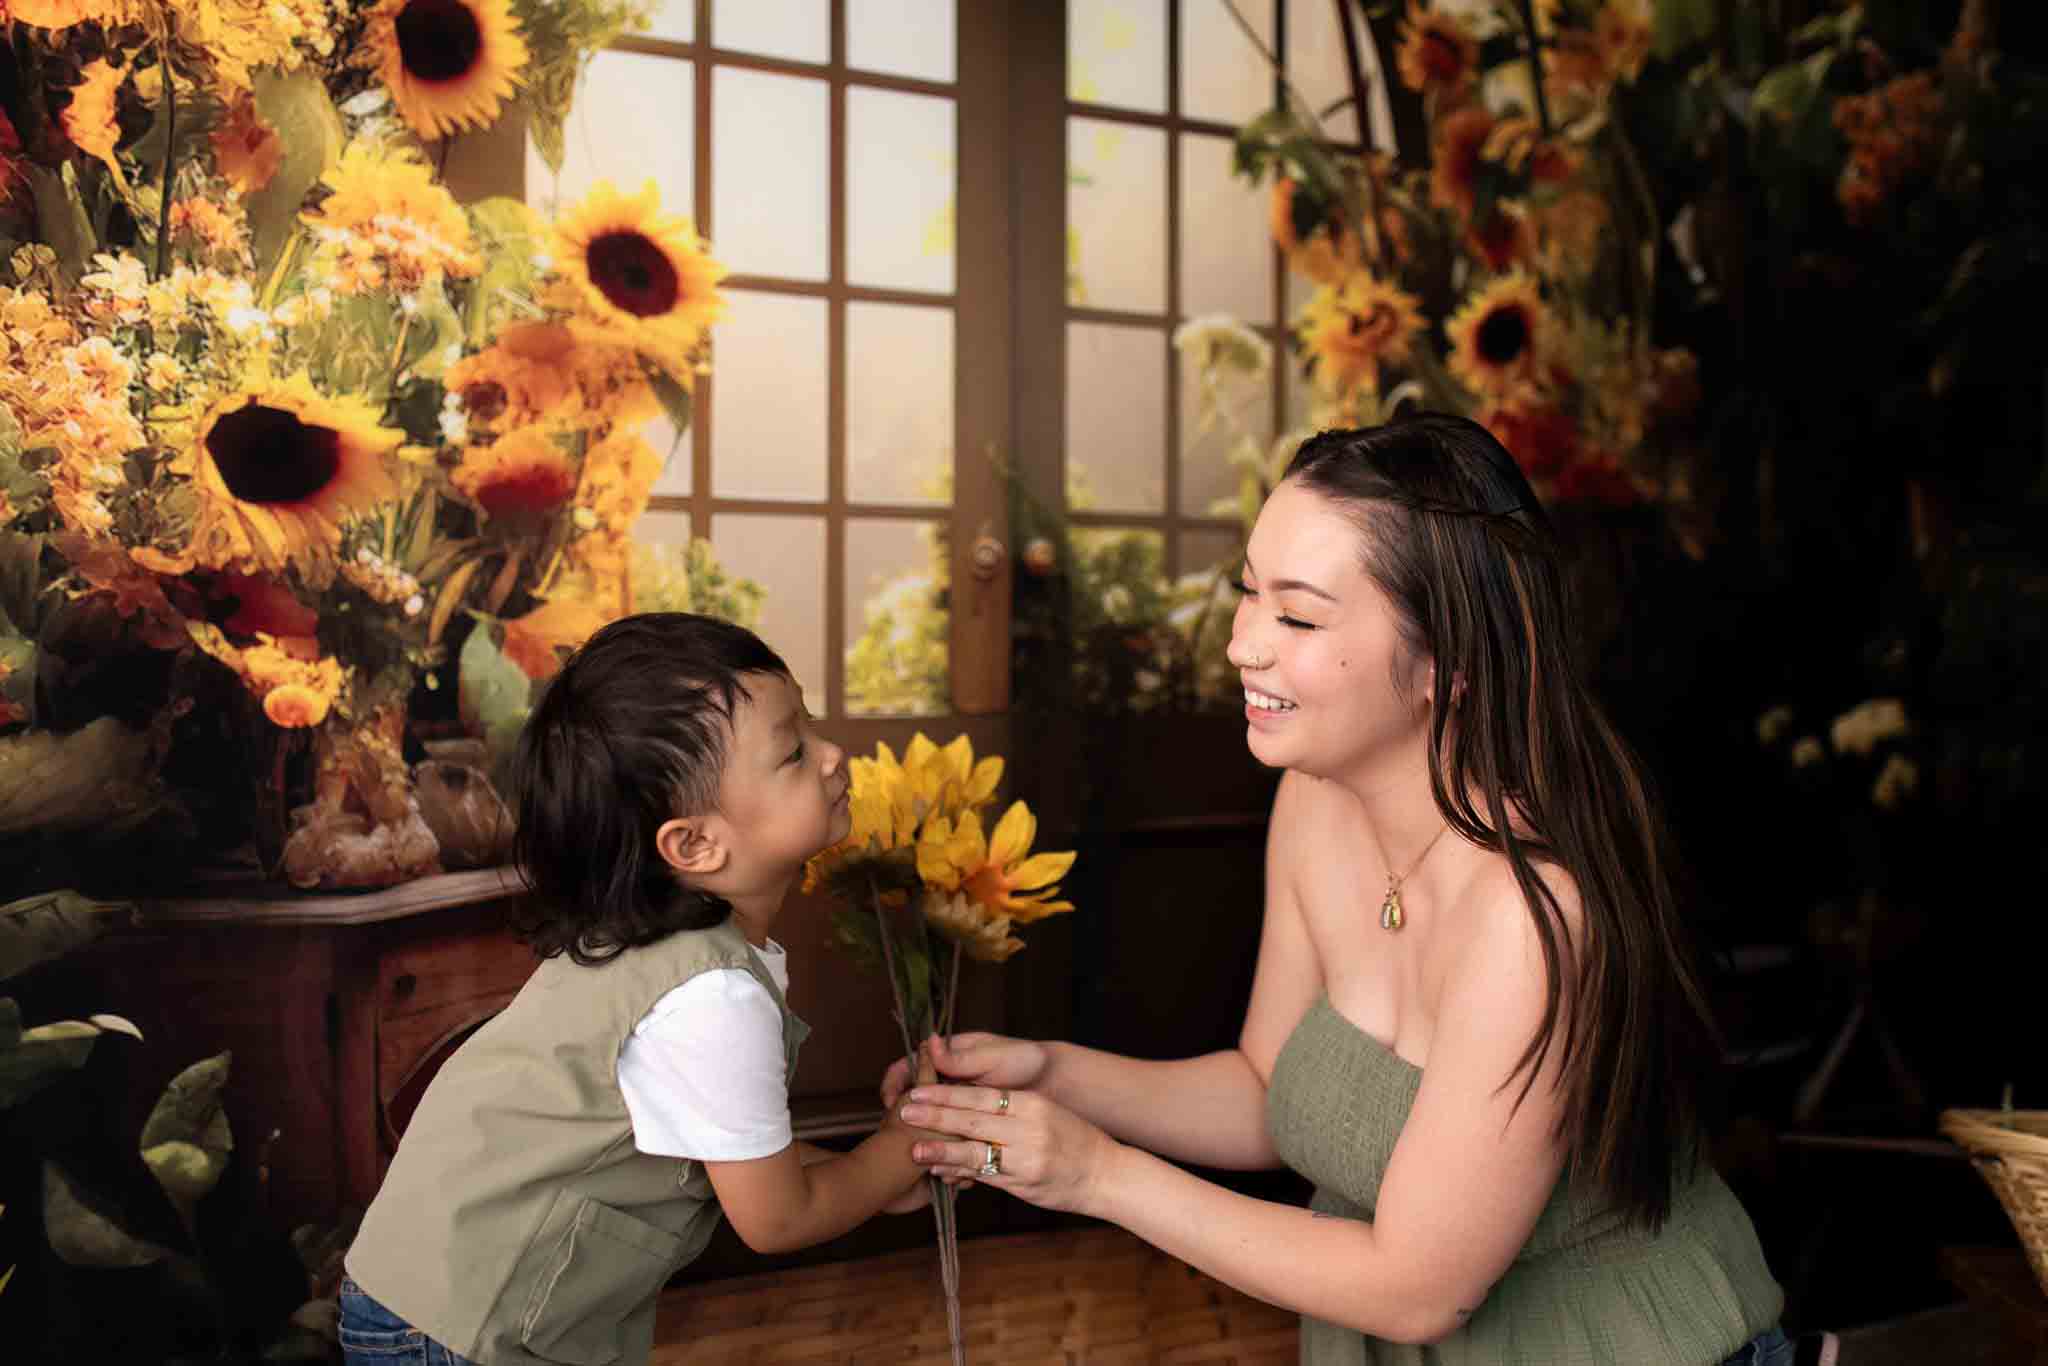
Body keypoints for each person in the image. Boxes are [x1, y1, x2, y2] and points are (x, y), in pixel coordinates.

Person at [892, 415, 1800, 1365]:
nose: (1245, 643)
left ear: (1446, 664)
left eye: (1298, 616)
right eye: (1248, 592)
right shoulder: (1313, 804)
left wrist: (1096, 1175)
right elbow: (1269, 1092)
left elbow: (1416, 1289)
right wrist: (1053, 1076)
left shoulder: (1532, 916)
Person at [341, 613, 934, 1366]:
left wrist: (873, 1174)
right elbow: (776, 1219)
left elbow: (732, 1156)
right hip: (466, 1330)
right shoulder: (710, 998)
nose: (831, 754)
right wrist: (903, 1150)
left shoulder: (643, 943)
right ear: (694, 843)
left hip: (422, 1295)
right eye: (793, 751)